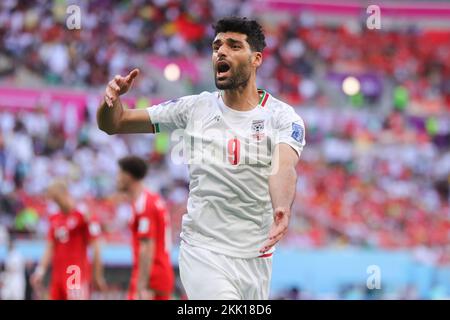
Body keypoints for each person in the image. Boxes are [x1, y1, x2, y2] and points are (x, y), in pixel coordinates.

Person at [97, 17, 306, 299]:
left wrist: (282, 206)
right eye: (217, 46)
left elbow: (284, 167)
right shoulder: (194, 107)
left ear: (256, 59)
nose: (222, 51)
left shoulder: (283, 117)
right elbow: (115, 123)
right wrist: (111, 101)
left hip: (256, 258)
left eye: (234, 46)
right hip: (204, 250)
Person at [30, 180, 106, 300]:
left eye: (57, 199)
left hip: (75, 273)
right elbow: (50, 247)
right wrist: (40, 271)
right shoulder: (55, 218)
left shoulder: (84, 215)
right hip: (57, 276)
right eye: (54, 200)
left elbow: (96, 247)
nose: (57, 203)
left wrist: (97, 274)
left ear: (65, 193)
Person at [116, 156, 174, 300]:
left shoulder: (145, 204)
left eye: (119, 174)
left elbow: (147, 246)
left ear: (128, 176)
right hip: (157, 274)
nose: (117, 178)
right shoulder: (149, 200)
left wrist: (142, 286)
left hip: (151, 277)